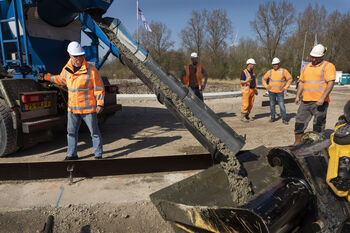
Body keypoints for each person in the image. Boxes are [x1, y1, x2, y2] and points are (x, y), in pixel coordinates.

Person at [38, 41, 105, 160]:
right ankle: (72, 154)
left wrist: (100, 104)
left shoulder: (91, 70)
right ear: (70, 55)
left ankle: (98, 155)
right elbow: (60, 79)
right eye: (75, 56)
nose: (78, 58)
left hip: (88, 109)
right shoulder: (67, 69)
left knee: (94, 133)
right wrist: (47, 77)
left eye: (80, 55)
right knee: (71, 133)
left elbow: (99, 88)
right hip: (73, 110)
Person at [292, 44, 336, 146]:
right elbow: (302, 82)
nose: (313, 59)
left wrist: (322, 98)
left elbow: (330, 83)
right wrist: (298, 95)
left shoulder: (328, 66)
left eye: (316, 57)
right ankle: (297, 142)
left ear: (322, 56)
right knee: (299, 122)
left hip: (320, 102)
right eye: (312, 57)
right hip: (306, 101)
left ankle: (317, 146)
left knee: (318, 124)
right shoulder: (306, 67)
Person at [262, 57, 293, 124]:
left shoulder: (284, 71)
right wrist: (266, 86)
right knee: (272, 104)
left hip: (280, 92)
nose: (275, 65)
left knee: (281, 105)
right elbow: (263, 79)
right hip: (271, 92)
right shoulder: (270, 72)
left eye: (276, 64)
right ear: (272, 65)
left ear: (279, 64)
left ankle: (284, 119)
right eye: (274, 64)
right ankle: (273, 117)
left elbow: (290, 79)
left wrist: (285, 87)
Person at [240, 58, 258, 122]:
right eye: (253, 64)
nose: (254, 66)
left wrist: (255, 90)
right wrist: (246, 81)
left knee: (250, 105)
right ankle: (243, 117)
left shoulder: (253, 72)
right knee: (246, 104)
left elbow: (254, 82)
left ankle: (247, 116)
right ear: (249, 65)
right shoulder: (244, 72)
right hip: (246, 91)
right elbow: (241, 81)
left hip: (252, 90)